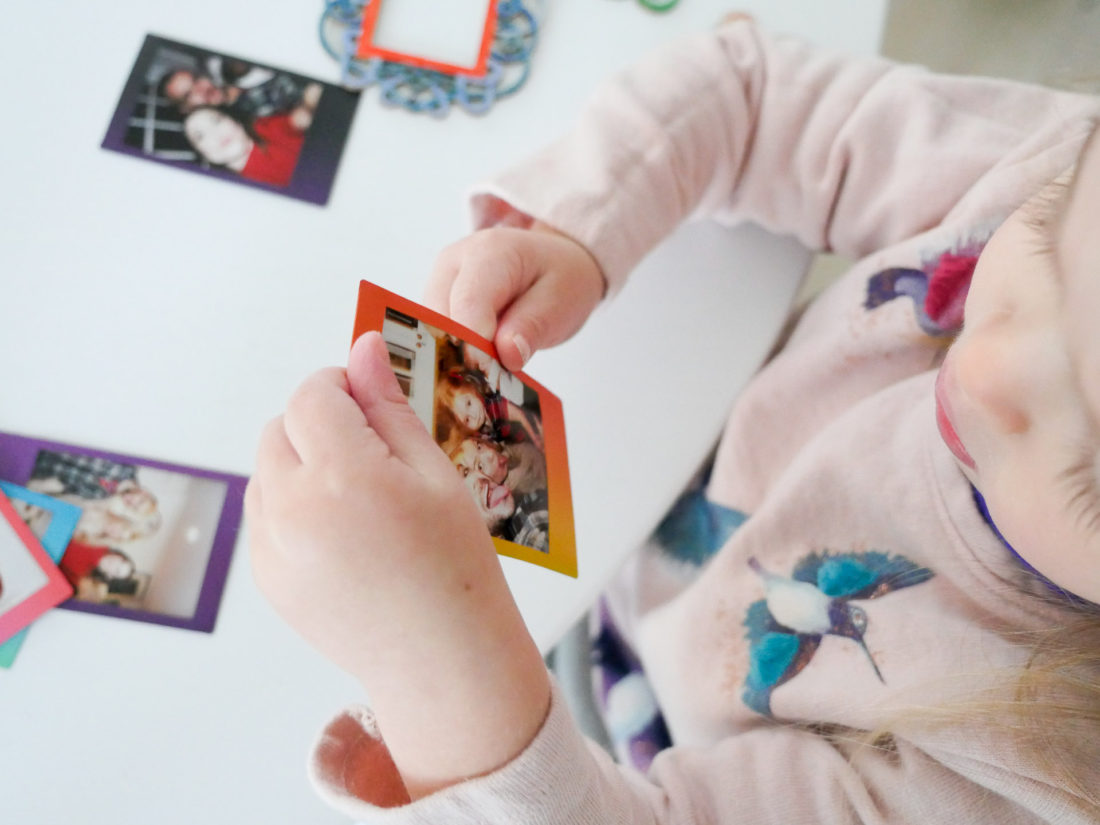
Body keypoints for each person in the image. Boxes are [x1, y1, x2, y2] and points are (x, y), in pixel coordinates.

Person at [246, 17, 1100, 824]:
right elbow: (753, 90)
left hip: (619, 741)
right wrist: (583, 230)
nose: (984, 371)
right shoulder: (1069, 171)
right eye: (1050, 261)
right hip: (662, 493)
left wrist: (428, 658)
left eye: (1093, 462)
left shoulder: (1029, 774)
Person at [182, 105, 307, 188]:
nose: (215, 133)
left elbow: (300, 118)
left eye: (216, 121)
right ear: (204, 156)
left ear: (235, 121)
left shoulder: (267, 128)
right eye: (200, 136)